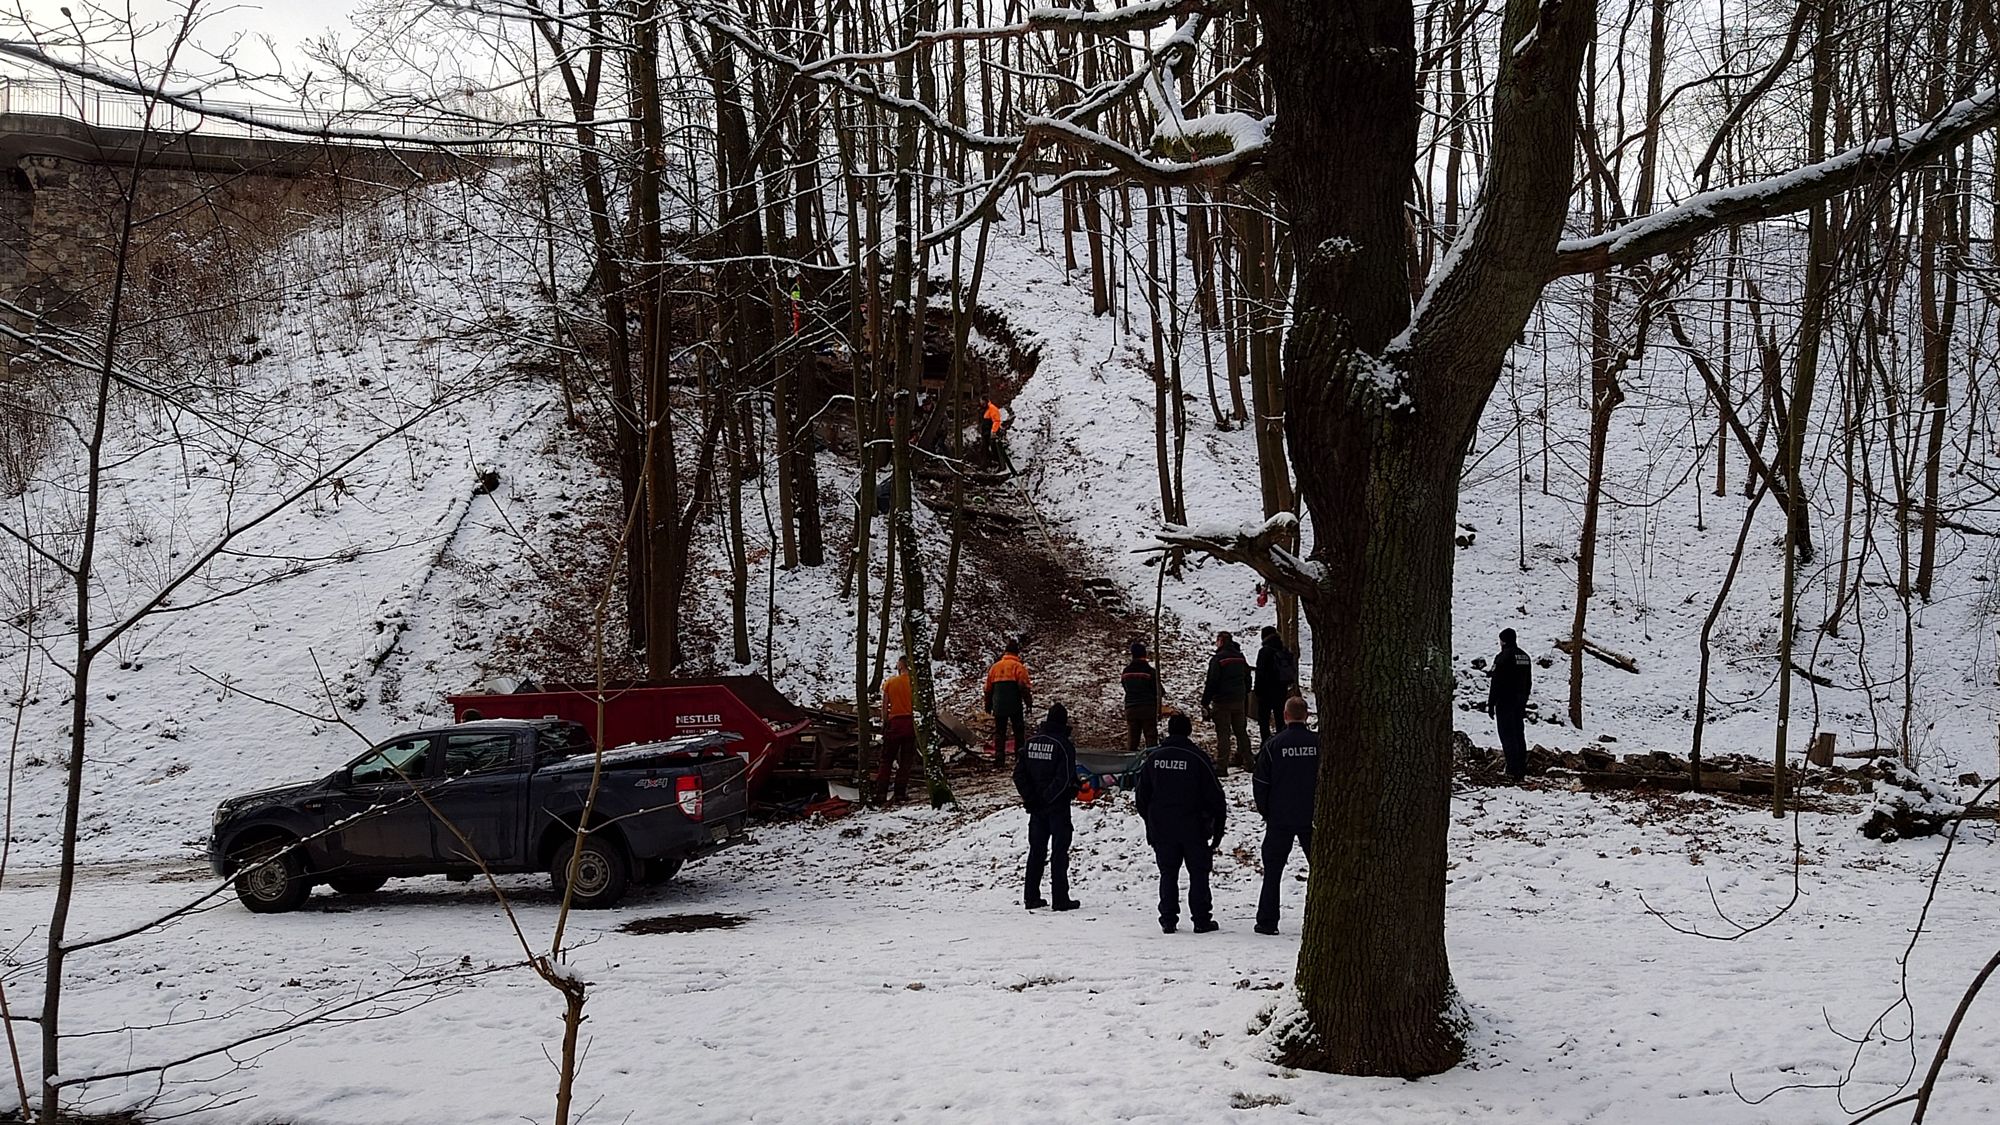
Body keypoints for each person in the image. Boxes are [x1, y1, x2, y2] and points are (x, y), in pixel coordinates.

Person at [1136, 713, 1227, 933]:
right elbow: (1215, 796)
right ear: (1189, 731)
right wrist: (1218, 829)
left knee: (1168, 872)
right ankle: (1201, 918)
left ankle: (1168, 919)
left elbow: (1141, 795)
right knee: (1198, 873)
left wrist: (1151, 820)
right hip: (1193, 827)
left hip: (1163, 827)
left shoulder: (1154, 759)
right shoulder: (1197, 758)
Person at [1251, 695, 1319, 935]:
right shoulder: (1318, 743)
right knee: (1320, 870)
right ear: (1307, 716)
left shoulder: (1273, 745)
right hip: (1313, 818)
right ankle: (1321, 920)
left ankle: (1267, 921)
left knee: (1273, 870)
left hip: (1280, 817)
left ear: (1285, 715)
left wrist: (1266, 811)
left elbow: (1260, 781)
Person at [1013, 703, 1080, 911]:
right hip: (1057, 807)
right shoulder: (1063, 745)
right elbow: (1064, 777)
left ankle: (1031, 896)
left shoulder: (1030, 743)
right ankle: (1060, 898)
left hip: (1036, 808)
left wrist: (1031, 798)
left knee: (1036, 851)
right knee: (1059, 852)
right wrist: (1048, 798)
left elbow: (1019, 774)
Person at [1200, 631, 1254, 773]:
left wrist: (1205, 701)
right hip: (1239, 700)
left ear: (1221, 641)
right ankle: (1249, 762)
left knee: (1223, 733)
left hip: (1222, 702)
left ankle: (1222, 766)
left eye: (1217, 640)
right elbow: (1248, 678)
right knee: (1241, 732)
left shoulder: (1218, 659)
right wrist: (1244, 692)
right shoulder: (1241, 658)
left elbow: (1211, 682)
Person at [1489, 628, 1533, 781]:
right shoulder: (1525, 657)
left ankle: (1512, 770)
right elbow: (1529, 682)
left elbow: (1496, 682)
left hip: (1505, 700)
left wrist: (1491, 703)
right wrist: (1524, 700)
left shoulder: (1502, 657)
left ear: (1504, 640)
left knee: (1507, 735)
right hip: (1520, 701)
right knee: (1518, 734)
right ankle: (1521, 767)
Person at [876, 656, 918, 803]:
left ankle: (881, 793)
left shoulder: (890, 683)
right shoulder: (914, 682)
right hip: (910, 723)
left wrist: (885, 722)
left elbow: (884, 706)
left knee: (886, 759)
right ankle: (900, 793)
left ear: (900, 665)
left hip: (895, 723)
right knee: (906, 760)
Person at [985, 640, 1033, 766]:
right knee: (1018, 731)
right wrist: (1029, 703)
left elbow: (988, 690)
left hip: (999, 705)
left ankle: (999, 758)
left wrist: (988, 706)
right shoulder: (1018, 667)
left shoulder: (995, 667)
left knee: (1000, 732)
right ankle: (1020, 757)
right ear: (1017, 653)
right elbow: (1024, 687)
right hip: (1014, 705)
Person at [1252, 626, 1298, 742]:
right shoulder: (1283, 649)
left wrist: (1257, 691)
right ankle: (1282, 742)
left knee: (1264, 720)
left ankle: (1266, 744)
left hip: (1265, 692)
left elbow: (1260, 673)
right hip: (1281, 690)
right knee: (1280, 718)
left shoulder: (1264, 651)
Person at [1120, 640, 1164, 754]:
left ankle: (1129, 763)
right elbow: (1159, 691)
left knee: (1132, 739)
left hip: (1131, 708)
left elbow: (1125, 687)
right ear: (1145, 655)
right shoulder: (1150, 672)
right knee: (1151, 738)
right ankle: (1152, 760)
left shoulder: (1126, 672)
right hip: (1148, 708)